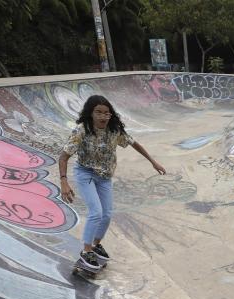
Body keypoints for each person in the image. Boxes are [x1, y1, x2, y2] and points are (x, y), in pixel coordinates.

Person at [59, 95, 165, 273]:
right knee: (96, 212)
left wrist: (152, 161)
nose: (102, 117)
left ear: (110, 116)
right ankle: (86, 252)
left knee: (107, 214)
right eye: (98, 113)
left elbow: (134, 144)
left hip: (105, 177)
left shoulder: (114, 130)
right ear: (91, 114)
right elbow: (63, 157)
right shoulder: (81, 131)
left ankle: (95, 245)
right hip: (86, 174)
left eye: (106, 114)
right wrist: (64, 181)